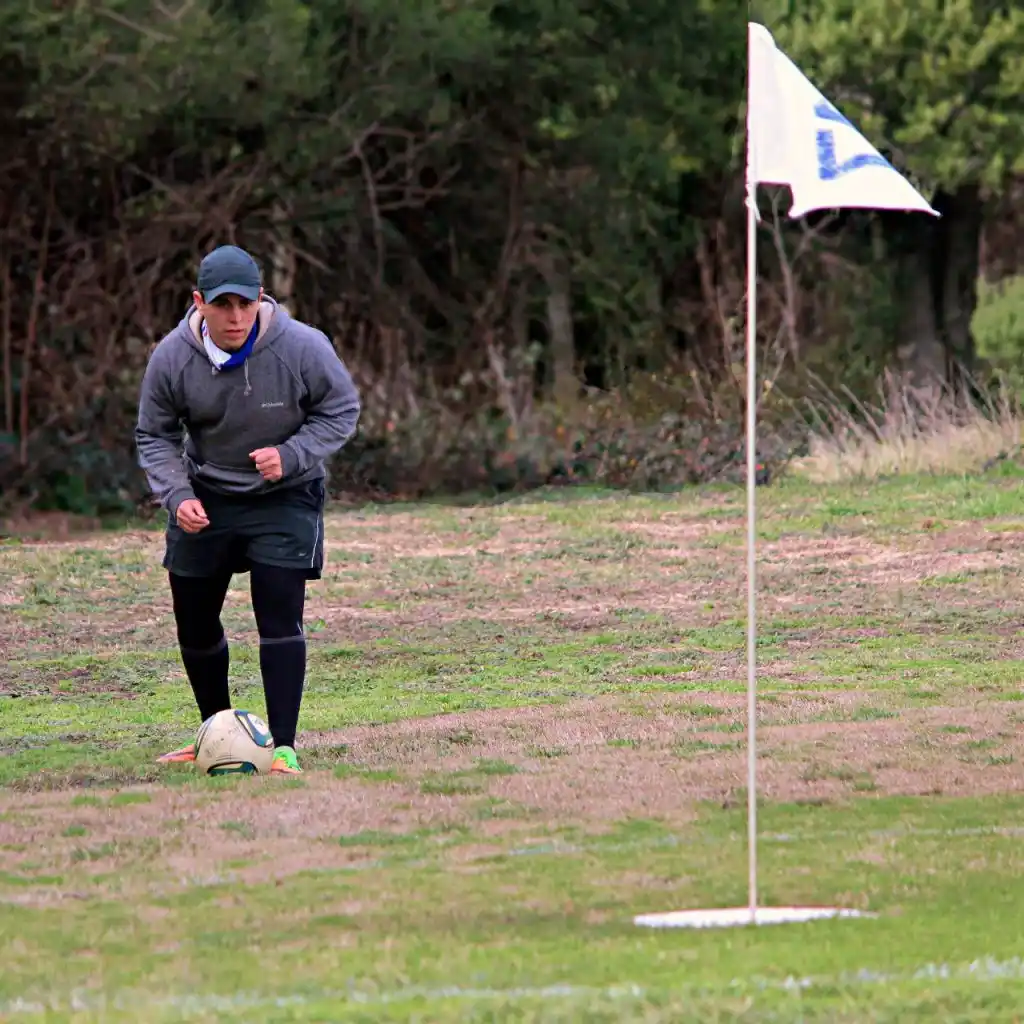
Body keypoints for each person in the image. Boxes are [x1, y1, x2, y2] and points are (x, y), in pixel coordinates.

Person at [135, 245, 360, 774]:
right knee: (194, 620)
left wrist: (292, 454)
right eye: (222, 305)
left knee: (278, 613)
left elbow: (341, 409)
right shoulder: (171, 356)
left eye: (245, 303)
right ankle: (215, 735)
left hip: (285, 493)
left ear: (261, 298)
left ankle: (283, 748)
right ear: (199, 302)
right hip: (206, 494)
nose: (236, 317)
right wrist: (177, 495)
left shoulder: (302, 346)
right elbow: (154, 434)